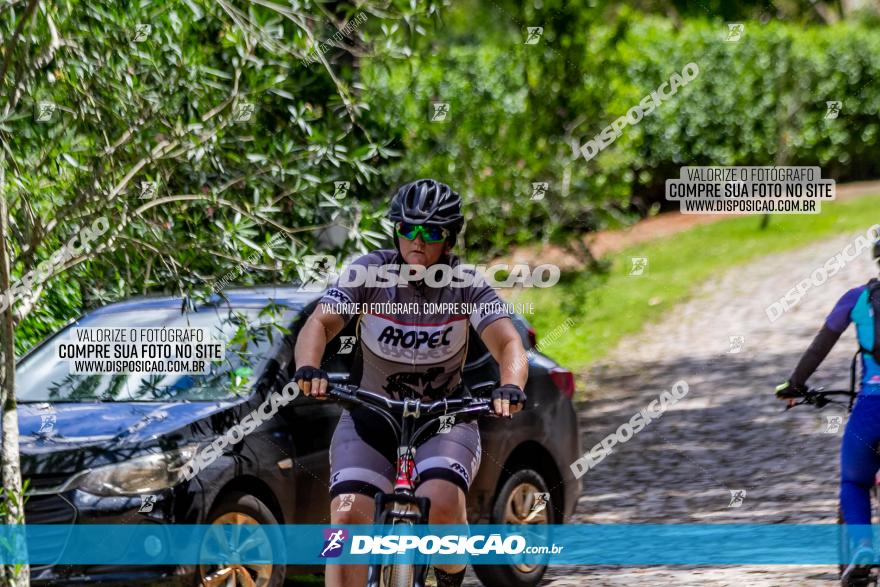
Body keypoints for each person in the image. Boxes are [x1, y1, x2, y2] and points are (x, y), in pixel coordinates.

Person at [293, 179, 529, 587]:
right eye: (408, 229)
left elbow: (509, 342)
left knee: (440, 501)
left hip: (444, 419)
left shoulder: (467, 283)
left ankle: (450, 576)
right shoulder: (370, 272)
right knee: (348, 515)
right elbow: (320, 322)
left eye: (431, 232)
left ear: (449, 240)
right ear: (396, 232)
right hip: (371, 416)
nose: (417, 241)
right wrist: (308, 367)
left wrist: (511, 386)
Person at [776, 239, 880, 586]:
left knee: (854, 480)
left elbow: (820, 345)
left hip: (871, 408)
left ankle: (862, 548)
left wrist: (794, 384)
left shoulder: (857, 299)